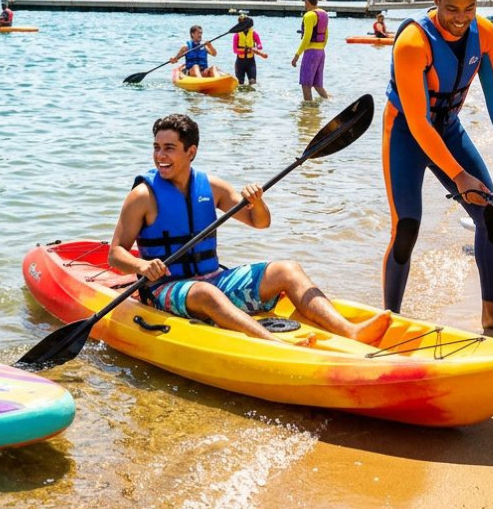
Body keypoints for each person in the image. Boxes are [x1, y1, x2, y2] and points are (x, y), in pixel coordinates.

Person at [108, 113, 393, 343]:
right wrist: (142, 266)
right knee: (207, 294)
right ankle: (273, 344)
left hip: (213, 278)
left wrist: (257, 202)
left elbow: (261, 222)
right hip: (164, 289)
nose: (160, 155)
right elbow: (115, 254)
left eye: (169, 148)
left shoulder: (212, 187)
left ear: (190, 151)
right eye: (156, 147)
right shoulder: (143, 196)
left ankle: (349, 330)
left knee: (287, 269)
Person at [382, 0, 493, 330]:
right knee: (407, 227)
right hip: (405, 135)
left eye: (469, 9)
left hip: (448, 129)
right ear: (436, 0)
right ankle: (391, 320)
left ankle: (492, 312)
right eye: (451, 9)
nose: (460, 18)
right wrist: (459, 175)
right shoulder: (412, 43)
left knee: (492, 212)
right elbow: (418, 122)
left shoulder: (484, 34)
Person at [291, 0, 330, 101]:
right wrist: (320, 49)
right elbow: (326, 35)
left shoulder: (309, 15)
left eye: (305, 2)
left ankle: (309, 111)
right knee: (317, 85)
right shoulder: (324, 14)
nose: (304, 4)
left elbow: (306, 38)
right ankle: (329, 101)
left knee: (306, 84)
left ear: (308, 2)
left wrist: (296, 56)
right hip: (321, 52)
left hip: (311, 53)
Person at [232, 20, 267, 85]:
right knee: (240, 83)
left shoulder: (254, 34)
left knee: (252, 82)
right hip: (240, 63)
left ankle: (251, 95)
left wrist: (257, 49)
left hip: (250, 63)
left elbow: (260, 45)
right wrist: (248, 50)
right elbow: (235, 50)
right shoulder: (237, 35)